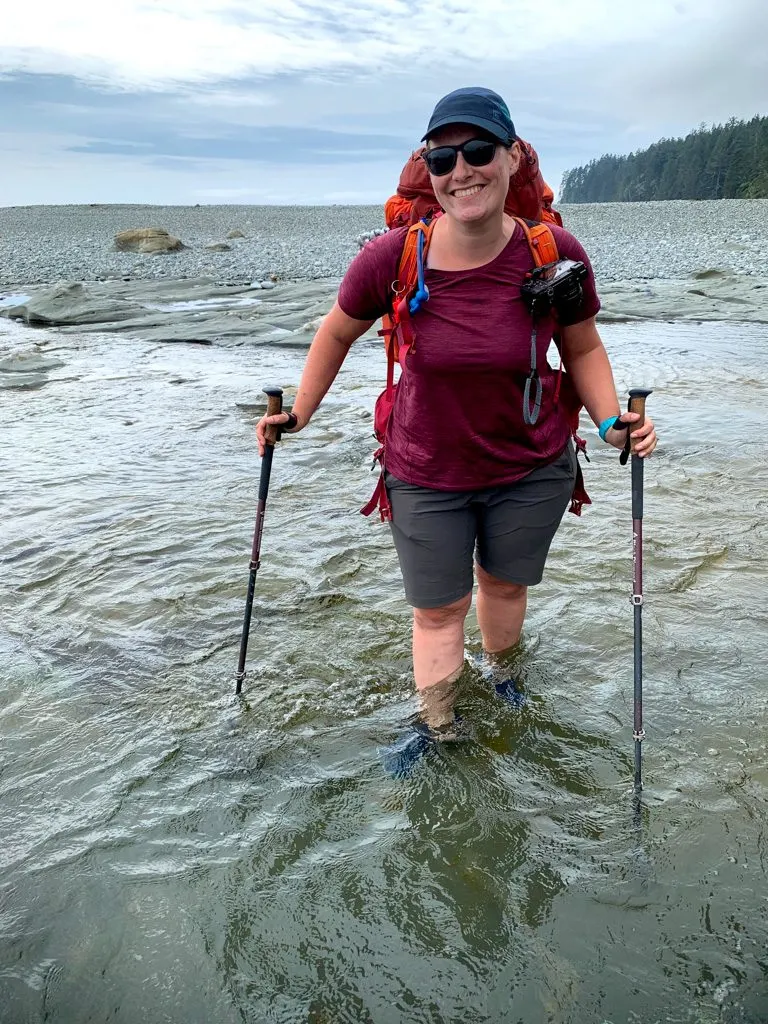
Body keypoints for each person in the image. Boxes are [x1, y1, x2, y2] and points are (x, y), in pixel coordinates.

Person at [256, 86, 658, 751]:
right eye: (442, 159)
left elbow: (581, 346)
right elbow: (334, 333)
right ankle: (438, 729)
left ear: (512, 158)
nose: (460, 170)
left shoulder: (554, 253)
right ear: (428, 171)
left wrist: (615, 423)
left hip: (530, 467)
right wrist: (298, 413)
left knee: (502, 588)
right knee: (439, 611)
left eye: (478, 151)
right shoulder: (393, 258)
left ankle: (502, 677)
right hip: (425, 471)